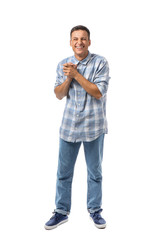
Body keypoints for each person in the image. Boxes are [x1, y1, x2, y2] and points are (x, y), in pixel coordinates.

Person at [44, 25, 110, 230]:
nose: (79, 42)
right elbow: (59, 94)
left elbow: (98, 92)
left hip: (94, 127)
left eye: (83, 39)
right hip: (69, 128)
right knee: (63, 173)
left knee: (95, 173)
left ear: (89, 42)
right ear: (70, 42)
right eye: (75, 39)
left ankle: (95, 211)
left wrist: (76, 74)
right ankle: (61, 212)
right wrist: (69, 77)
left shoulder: (100, 62)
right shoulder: (63, 64)